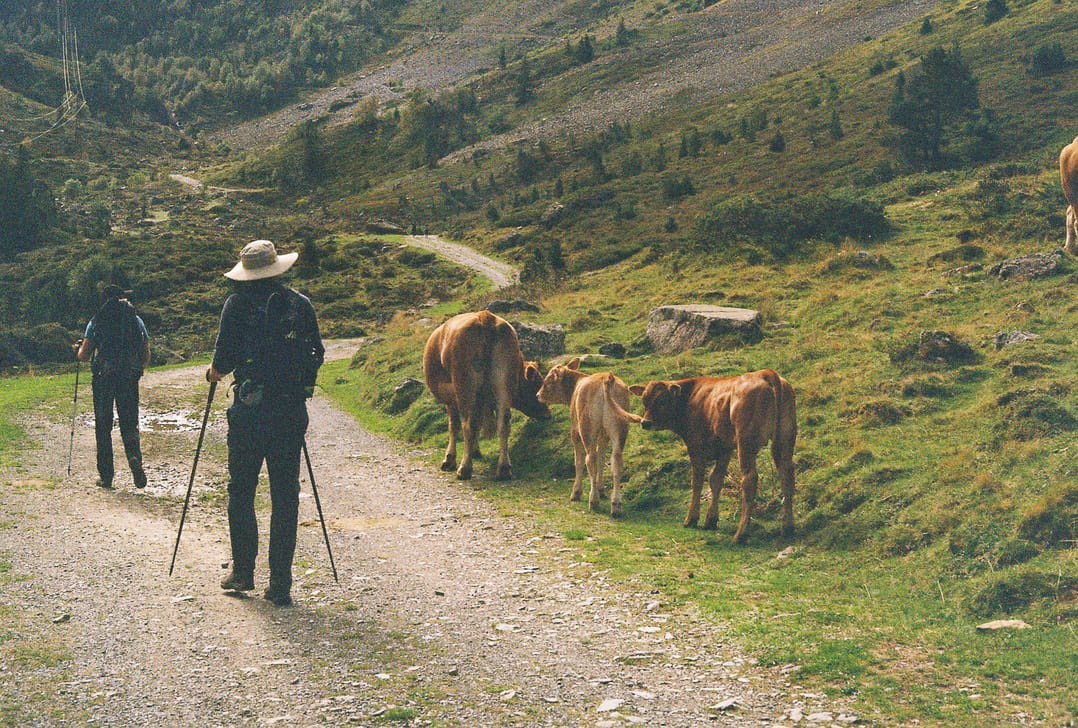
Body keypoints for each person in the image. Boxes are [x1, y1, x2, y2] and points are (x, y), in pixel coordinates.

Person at [207, 240, 324, 607]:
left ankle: (242, 571)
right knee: (284, 495)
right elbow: (316, 354)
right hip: (289, 411)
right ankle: (281, 583)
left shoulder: (237, 305)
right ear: (276, 268)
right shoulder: (300, 304)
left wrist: (213, 374)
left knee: (241, 489)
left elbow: (223, 359)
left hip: (249, 412)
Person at [76, 284, 151, 490]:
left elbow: (84, 355)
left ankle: (106, 476)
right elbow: (145, 350)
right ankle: (135, 460)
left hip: (103, 377)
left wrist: (78, 349)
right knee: (129, 422)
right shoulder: (135, 319)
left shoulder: (96, 320)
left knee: (103, 426)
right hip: (128, 376)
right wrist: (137, 369)